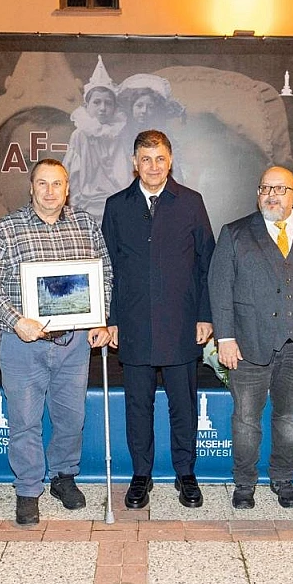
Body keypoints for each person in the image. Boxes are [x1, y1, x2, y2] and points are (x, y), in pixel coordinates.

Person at [0, 159, 112, 525]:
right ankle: (27, 489)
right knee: (24, 420)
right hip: (23, 343)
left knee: (71, 417)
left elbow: (105, 275)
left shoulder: (86, 226)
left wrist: (100, 317)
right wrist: (16, 321)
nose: (50, 191)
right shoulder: (8, 228)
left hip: (75, 344)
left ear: (67, 189)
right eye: (42, 183)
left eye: (57, 184)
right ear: (31, 187)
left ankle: (64, 478)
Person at [208, 166, 293, 510]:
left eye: (280, 189)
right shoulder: (235, 233)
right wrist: (225, 338)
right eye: (266, 187)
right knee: (246, 420)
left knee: (288, 420)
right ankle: (244, 484)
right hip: (248, 345)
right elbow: (219, 288)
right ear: (258, 193)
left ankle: (283, 479)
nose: (272, 194)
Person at [102, 130, 215, 510]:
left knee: (183, 405)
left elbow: (206, 265)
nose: (153, 166)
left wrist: (205, 315)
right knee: (138, 406)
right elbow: (109, 268)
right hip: (133, 326)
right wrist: (112, 318)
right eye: (146, 159)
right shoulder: (117, 206)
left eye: (160, 158)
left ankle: (186, 473)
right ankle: (140, 475)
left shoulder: (191, 203)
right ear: (134, 163)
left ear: (170, 161)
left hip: (182, 324)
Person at [64, 56, 132, 223]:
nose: (103, 108)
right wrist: (74, 208)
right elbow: (72, 174)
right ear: (87, 107)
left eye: (108, 103)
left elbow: (125, 173)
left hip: (115, 205)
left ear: (114, 108)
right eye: (97, 103)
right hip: (87, 206)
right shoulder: (80, 135)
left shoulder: (119, 135)